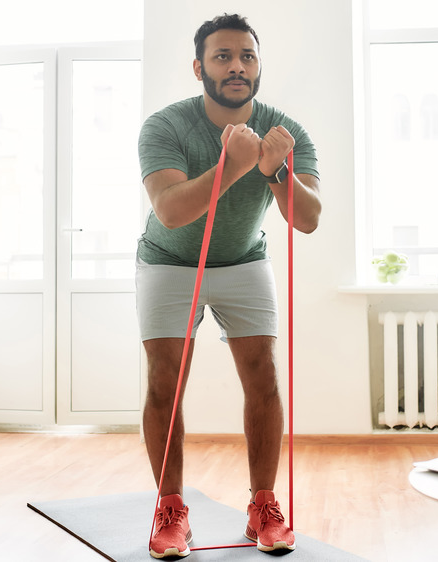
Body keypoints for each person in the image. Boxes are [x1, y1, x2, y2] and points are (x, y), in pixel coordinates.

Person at [136, 13, 322, 559]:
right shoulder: (165, 127)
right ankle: (170, 509)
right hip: (169, 261)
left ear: (258, 65)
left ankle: (263, 506)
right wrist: (236, 165)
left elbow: (307, 219)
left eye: (247, 56)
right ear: (199, 67)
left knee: (262, 375)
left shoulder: (286, 131)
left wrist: (277, 169)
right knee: (164, 384)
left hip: (243, 258)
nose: (236, 66)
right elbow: (170, 211)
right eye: (222, 56)